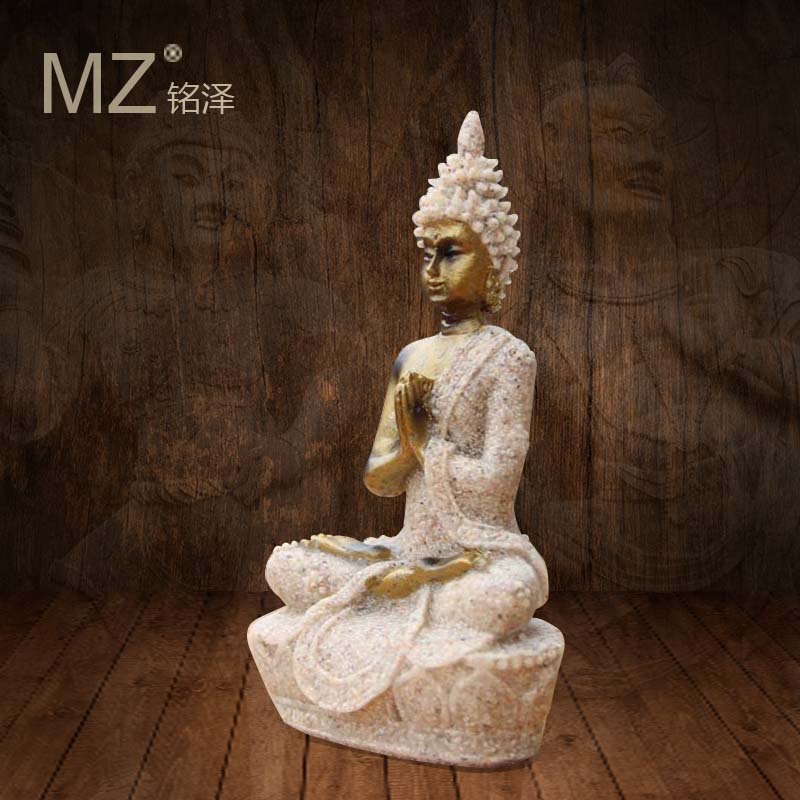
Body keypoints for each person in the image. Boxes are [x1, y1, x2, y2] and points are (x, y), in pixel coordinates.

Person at [250, 112, 563, 765]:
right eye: (428, 254)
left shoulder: (510, 359)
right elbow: (380, 480)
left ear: (494, 262)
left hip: (481, 554)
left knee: (504, 600)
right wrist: (404, 451)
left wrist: (427, 446)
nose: (434, 269)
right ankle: (400, 595)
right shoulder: (412, 357)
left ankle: (411, 594)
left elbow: (495, 485)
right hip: (407, 546)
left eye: (452, 252)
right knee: (288, 566)